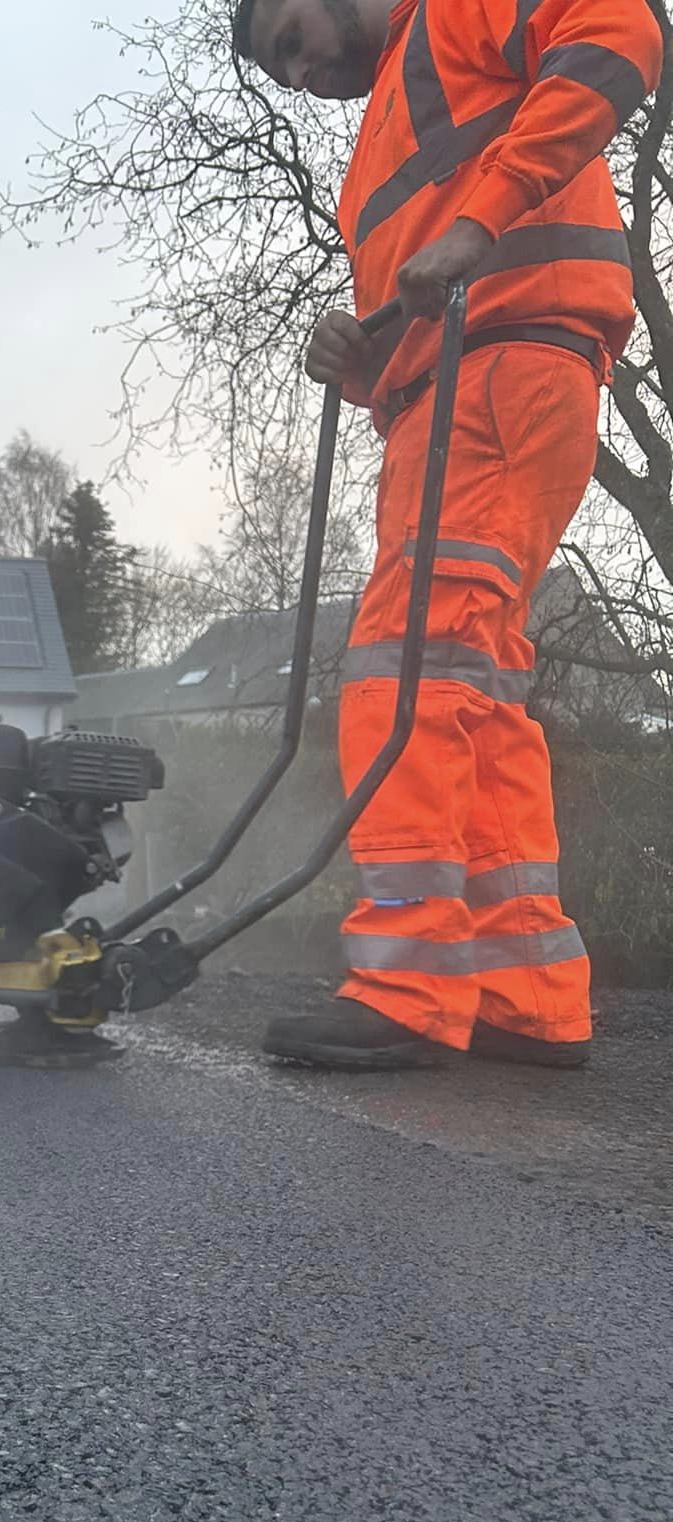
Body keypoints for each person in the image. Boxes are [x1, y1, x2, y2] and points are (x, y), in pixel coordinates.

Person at [233, 0, 662, 1068]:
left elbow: (620, 32)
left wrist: (482, 221)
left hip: (509, 372)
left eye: (291, 40)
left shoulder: (452, 14)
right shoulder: (373, 150)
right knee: (473, 687)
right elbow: (413, 323)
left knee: (403, 666)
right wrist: (359, 359)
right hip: (441, 401)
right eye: (279, 71)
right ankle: (525, 990)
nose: (298, 76)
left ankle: (409, 983)